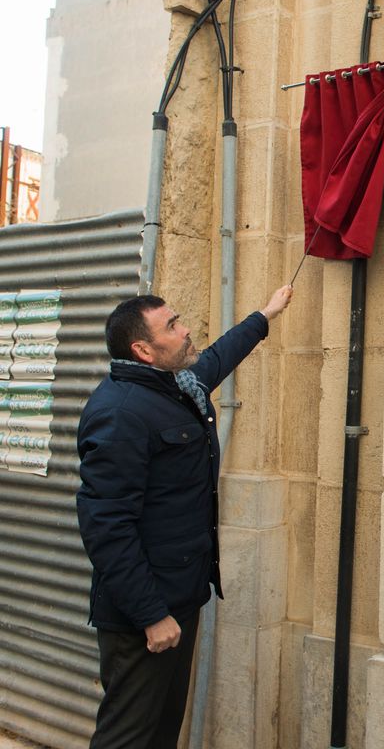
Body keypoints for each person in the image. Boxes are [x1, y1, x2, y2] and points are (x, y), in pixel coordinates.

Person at [76, 285, 293, 748]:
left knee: (161, 731)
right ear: (143, 349)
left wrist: (265, 314)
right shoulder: (121, 413)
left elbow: (215, 358)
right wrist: (152, 614)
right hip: (144, 612)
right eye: (172, 326)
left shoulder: (176, 387)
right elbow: (106, 526)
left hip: (179, 596)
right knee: (127, 736)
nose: (186, 328)